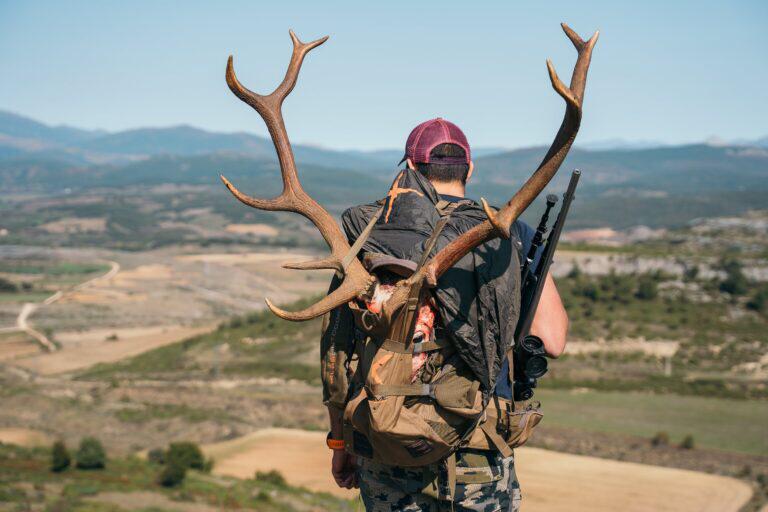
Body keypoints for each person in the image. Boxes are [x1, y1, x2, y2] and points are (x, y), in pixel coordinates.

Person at [321, 118, 568, 511]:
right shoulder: (507, 233)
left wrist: (340, 442)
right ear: (469, 170)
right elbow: (552, 339)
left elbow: (335, 352)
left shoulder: (366, 233)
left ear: (410, 169)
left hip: (386, 444)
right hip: (479, 449)